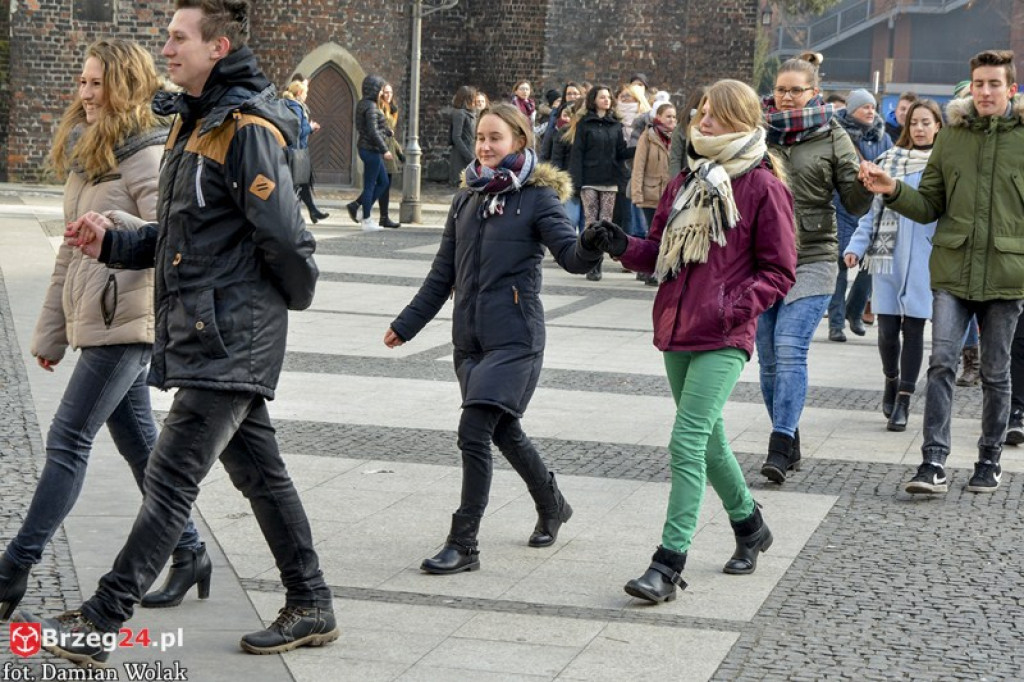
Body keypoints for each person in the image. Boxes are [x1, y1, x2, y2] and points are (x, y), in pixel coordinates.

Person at [24, 0, 337, 666]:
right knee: (261, 475)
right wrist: (111, 244)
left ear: (217, 47)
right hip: (206, 329)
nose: (165, 48)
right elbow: (180, 240)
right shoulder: (193, 125)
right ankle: (311, 602)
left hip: (227, 335)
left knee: (168, 480)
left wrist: (285, 300)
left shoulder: (245, 128)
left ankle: (102, 619)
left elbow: (282, 236)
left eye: (177, 37)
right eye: (166, 37)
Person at [0, 38, 208, 624]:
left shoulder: (143, 154)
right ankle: (190, 550)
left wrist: (115, 222)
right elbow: (71, 253)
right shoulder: (91, 152)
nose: (85, 94)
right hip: (97, 320)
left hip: (129, 320)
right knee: (142, 448)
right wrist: (51, 334)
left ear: (125, 87)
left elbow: (169, 235)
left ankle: (15, 565)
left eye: (98, 84)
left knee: (67, 440)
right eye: (83, 83)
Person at [581, 79, 796, 603]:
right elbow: (658, 252)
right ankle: (750, 526)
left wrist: (734, 308)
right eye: (701, 111)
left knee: (687, 441)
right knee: (710, 442)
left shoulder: (763, 186)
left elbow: (780, 270)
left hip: (724, 335)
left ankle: (668, 563)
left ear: (742, 121)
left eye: (716, 114)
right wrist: (618, 243)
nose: (703, 120)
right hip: (677, 326)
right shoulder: (685, 182)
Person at [384, 103, 601, 575]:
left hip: (516, 339)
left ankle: (464, 543)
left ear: (519, 141)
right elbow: (443, 274)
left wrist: (591, 243)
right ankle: (553, 503)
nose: (484, 146)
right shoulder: (467, 198)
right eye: (480, 137)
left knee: (474, 432)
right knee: (503, 430)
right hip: (471, 342)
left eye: (495, 138)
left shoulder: (538, 199)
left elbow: (571, 257)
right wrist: (407, 323)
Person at [861, 50, 1024, 494]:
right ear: (970, 88)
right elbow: (930, 202)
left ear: (1010, 89)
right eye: (978, 84)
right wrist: (893, 189)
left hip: (1007, 274)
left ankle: (988, 460)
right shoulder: (952, 136)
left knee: (995, 372)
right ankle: (932, 462)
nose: (985, 92)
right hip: (952, 269)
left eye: (994, 84)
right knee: (941, 364)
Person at [758, 52, 873, 483]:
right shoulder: (758, 133)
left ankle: (780, 444)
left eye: (795, 90)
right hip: (763, 259)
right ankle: (787, 434)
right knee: (767, 358)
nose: (786, 98)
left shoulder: (832, 135)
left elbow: (853, 200)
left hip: (813, 255)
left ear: (814, 94)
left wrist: (863, 186)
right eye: (781, 90)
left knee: (790, 348)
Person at [843, 99, 943, 432]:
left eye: (927, 122)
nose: (920, 128)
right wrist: (856, 247)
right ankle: (891, 378)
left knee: (914, 330)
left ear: (939, 126)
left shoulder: (945, 165)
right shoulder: (888, 161)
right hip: (887, 260)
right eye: (915, 122)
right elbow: (872, 214)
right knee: (887, 333)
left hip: (926, 261)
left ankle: (903, 398)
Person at [827, 89, 893, 342]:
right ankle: (836, 324)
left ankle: (854, 311)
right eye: (864, 106)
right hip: (842, 206)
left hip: (873, 208)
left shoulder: (882, 138)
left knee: (869, 265)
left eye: (872, 106)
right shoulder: (836, 133)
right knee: (840, 266)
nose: (870, 111)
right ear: (852, 108)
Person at [568, 84, 629, 281]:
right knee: (591, 221)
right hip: (589, 179)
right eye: (602, 97)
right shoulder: (585, 124)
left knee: (606, 222)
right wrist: (575, 182)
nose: (606, 100)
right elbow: (577, 154)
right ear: (594, 100)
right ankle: (591, 263)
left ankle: (599, 262)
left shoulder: (616, 125)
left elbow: (620, 153)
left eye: (608, 97)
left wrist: (637, 149)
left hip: (610, 179)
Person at [346, 75, 392, 231]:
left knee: (383, 182)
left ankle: (359, 208)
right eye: (380, 89)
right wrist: (385, 150)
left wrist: (386, 130)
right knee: (370, 185)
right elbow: (372, 131)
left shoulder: (364, 104)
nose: (381, 92)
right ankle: (366, 219)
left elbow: (370, 127)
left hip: (369, 148)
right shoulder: (371, 106)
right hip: (371, 149)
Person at [281, 79, 329, 223]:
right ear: (300, 93)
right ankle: (293, 216)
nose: (307, 96)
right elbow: (297, 131)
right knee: (299, 184)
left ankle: (313, 211)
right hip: (297, 152)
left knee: (303, 183)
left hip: (294, 150)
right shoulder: (296, 107)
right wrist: (311, 127)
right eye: (306, 93)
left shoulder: (287, 105)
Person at [377, 82, 403, 228]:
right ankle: (358, 205)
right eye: (386, 92)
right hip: (381, 148)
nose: (388, 95)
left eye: (390, 92)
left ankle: (384, 216)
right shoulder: (379, 107)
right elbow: (381, 129)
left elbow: (391, 134)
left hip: (390, 148)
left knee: (386, 184)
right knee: (381, 184)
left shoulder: (393, 109)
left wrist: (399, 152)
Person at [668, 87, 707, 177]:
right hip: (687, 178)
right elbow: (675, 160)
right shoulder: (681, 128)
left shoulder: (713, 124)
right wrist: (677, 185)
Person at [449, 85, 478, 186]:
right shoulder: (460, 113)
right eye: (474, 97)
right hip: (462, 156)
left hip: (471, 152)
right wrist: (469, 156)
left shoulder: (471, 113)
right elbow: (456, 137)